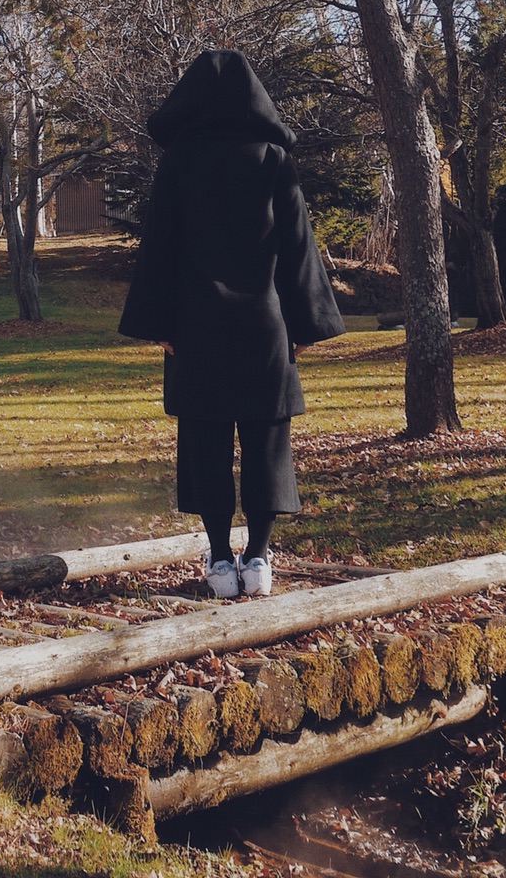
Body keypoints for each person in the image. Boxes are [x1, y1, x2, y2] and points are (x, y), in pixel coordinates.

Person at [118, 49, 344, 599]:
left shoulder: (180, 159)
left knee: (205, 440)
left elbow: (160, 248)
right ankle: (260, 559)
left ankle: (221, 560)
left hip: (196, 326)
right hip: (265, 325)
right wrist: (306, 321)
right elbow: (297, 248)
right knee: (267, 441)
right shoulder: (273, 159)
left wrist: (159, 321)